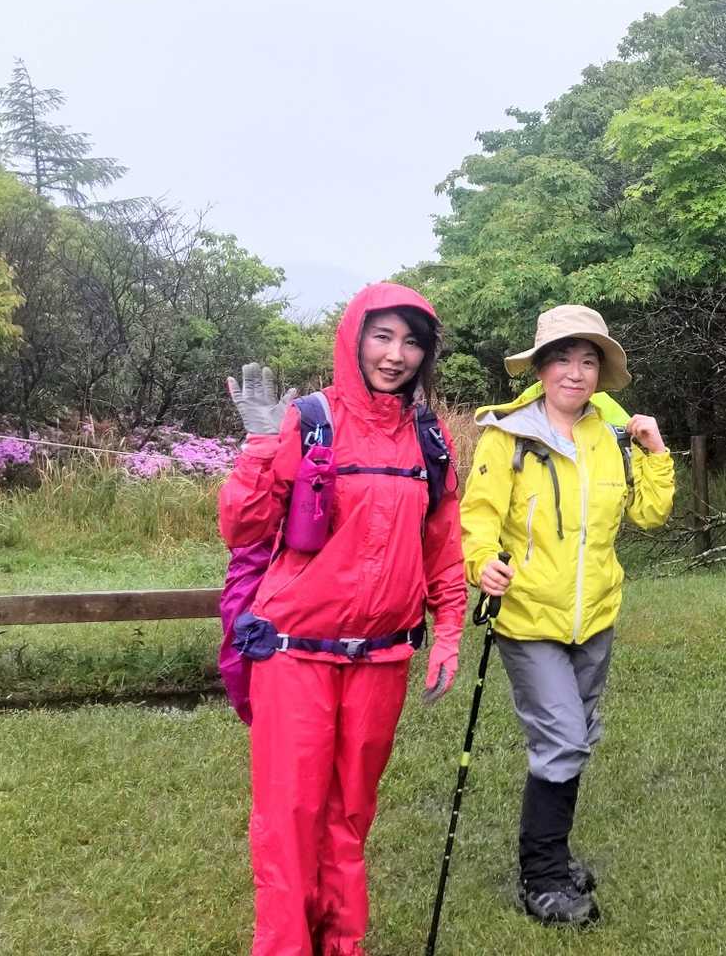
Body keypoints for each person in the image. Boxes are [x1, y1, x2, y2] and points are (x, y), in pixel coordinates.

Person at [218, 282, 467, 954]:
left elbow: (443, 544)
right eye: (382, 336)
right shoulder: (309, 419)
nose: (395, 355)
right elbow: (243, 528)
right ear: (354, 338)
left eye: (411, 342)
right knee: (290, 818)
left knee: (350, 815)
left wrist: (448, 631)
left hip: (381, 657)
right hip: (293, 652)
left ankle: (342, 944)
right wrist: (261, 445)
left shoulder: (429, 436)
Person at [458, 304, 675, 927]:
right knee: (562, 738)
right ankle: (543, 876)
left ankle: (552, 854)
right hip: (528, 620)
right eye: (562, 359)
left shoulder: (611, 438)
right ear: (540, 368)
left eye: (587, 362)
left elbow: (649, 515)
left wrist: (655, 453)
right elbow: (478, 517)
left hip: (595, 618)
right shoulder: (507, 438)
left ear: (600, 373)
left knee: (577, 737)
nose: (574, 373)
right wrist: (482, 563)